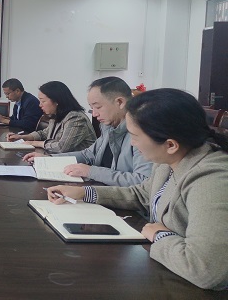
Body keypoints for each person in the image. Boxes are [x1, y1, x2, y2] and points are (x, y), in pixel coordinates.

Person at [46, 89, 228, 290]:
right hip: (170, 272)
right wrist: (84, 193)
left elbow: (205, 270)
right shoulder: (170, 160)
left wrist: (160, 235)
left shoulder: (211, 180)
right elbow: (142, 194)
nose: (132, 143)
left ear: (170, 144)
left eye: (135, 136)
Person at [23, 76, 151, 186]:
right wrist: (49, 159)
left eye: (98, 107)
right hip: (100, 190)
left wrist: (90, 171)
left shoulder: (142, 133)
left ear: (120, 102)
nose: (94, 114)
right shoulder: (109, 127)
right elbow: (88, 155)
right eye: (91, 108)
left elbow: (143, 181)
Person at [6, 81, 96, 153]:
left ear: (56, 101)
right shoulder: (56, 115)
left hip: (79, 164)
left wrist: (33, 143)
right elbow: (44, 133)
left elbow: (61, 147)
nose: (40, 105)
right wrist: (22, 137)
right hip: (60, 159)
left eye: (43, 101)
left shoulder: (76, 118)